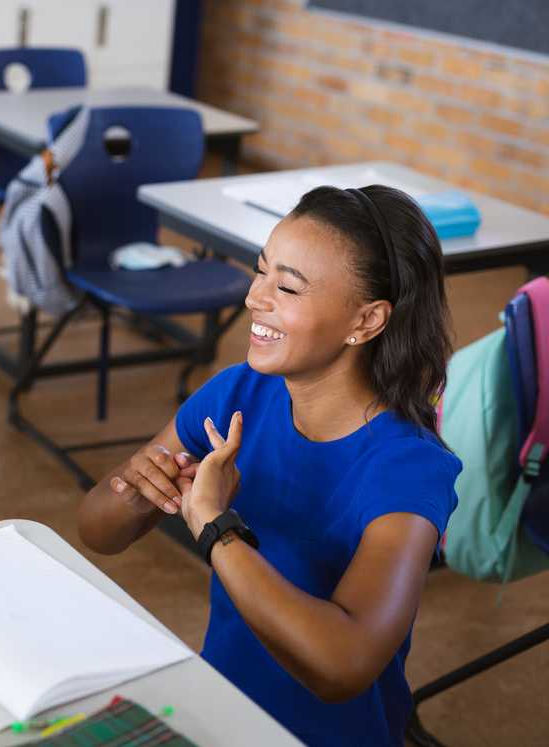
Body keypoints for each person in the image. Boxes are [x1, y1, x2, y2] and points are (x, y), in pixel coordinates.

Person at [78, 185, 461, 746]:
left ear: (368, 319)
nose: (256, 297)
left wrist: (215, 525)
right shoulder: (238, 393)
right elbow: (96, 531)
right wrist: (137, 491)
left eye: (286, 286)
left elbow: (342, 665)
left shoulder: (408, 468)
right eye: (260, 272)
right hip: (220, 713)